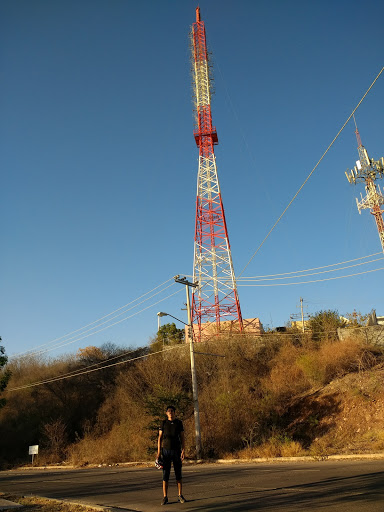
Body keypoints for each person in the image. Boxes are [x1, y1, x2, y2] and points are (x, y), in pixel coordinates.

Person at [157, 405, 186, 505]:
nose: (170, 412)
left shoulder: (179, 423)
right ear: (166, 413)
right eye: (169, 411)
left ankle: (180, 495)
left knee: (178, 474)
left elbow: (182, 437)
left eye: (172, 411)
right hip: (166, 452)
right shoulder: (164, 423)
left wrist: (183, 450)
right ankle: (165, 497)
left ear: (174, 412)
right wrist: (158, 453)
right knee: (166, 475)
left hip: (176, 451)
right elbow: (160, 438)